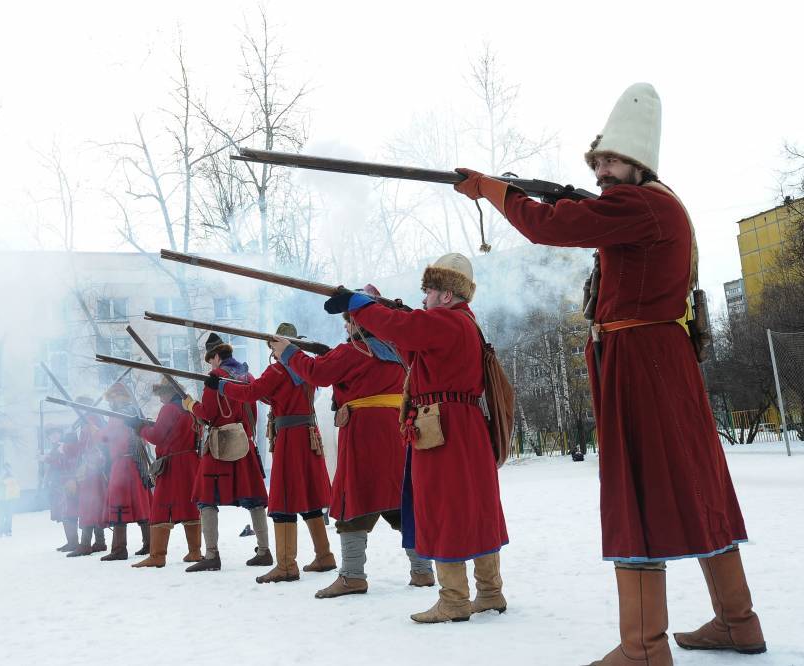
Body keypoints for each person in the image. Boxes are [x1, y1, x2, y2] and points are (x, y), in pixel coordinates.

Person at [455, 82, 765, 661]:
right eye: (595, 161)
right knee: (700, 487)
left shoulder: (640, 203)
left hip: (641, 363)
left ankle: (643, 647)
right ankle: (737, 620)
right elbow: (579, 220)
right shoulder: (656, 204)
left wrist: (494, 190)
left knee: (636, 493)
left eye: (610, 160)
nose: (600, 169)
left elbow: (550, 227)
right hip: (657, 358)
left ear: (638, 162)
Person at [318, 265, 509, 623]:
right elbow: (408, 346)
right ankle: (489, 591)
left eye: (430, 294)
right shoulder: (461, 324)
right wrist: (390, 315)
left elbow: (402, 330)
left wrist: (361, 305)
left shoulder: (447, 321)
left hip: (443, 425)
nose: (424, 300)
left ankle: (454, 599)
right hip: (463, 424)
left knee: (443, 507)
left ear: (447, 295)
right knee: (475, 507)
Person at [270, 288, 437, 600]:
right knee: (402, 503)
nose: (346, 326)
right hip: (395, 431)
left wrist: (289, 353)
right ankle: (423, 570)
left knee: (352, 501)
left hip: (363, 434)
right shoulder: (398, 351)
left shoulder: (352, 352)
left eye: (350, 320)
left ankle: (352, 576)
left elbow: (316, 373)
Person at [211, 322, 334, 584]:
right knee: (309, 499)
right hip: (307, 433)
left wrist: (221, 386)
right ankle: (324, 555)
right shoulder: (303, 367)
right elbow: (273, 395)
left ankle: (287, 565)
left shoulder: (279, 369)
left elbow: (252, 393)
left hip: (291, 439)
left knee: (285, 500)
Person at [182, 332, 270, 572]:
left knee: (205, 499)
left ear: (217, 356)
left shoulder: (215, 377)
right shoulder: (248, 376)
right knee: (255, 500)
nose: (210, 363)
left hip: (221, 443)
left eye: (211, 359)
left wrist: (190, 405)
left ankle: (211, 555)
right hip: (245, 442)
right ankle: (264, 550)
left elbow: (209, 414)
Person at [132, 377, 203, 568]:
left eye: (162, 393)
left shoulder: (169, 409)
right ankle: (195, 551)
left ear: (169, 392)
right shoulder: (190, 408)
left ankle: (157, 555)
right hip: (190, 462)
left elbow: (157, 436)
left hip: (173, 464)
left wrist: (142, 429)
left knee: (160, 507)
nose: (160, 397)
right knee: (190, 507)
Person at [98, 383, 153, 561]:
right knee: (140, 504)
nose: (110, 403)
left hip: (124, 463)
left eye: (112, 399)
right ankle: (149, 543)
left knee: (119, 502)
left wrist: (96, 433)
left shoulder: (119, 415)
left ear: (117, 398)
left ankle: (119, 549)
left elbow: (108, 437)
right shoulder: (132, 411)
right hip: (135, 463)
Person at [66, 399, 108, 557]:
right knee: (93, 506)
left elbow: (87, 446)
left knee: (88, 506)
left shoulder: (91, 421)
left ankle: (85, 544)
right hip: (91, 470)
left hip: (91, 470)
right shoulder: (92, 420)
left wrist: (69, 447)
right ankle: (100, 541)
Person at [44, 430, 81, 552]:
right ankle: (71, 541)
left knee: (68, 513)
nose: (53, 436)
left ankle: (73, 542)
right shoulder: (58, 448)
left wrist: (49, 459)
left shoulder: (65, 447)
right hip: (59, 483)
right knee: (64, 514)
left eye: (55, 433)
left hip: (66, 483)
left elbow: (65, 464)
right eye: (50, 435)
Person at [0, 464, 20, 537]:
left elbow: (17, 486)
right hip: (1, 499)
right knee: (1, 516)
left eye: (8, 469)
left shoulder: (13, 477)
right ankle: (0, 531)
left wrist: (11, 475)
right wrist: (2, 477)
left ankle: (8, 530)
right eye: (4, 469)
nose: (6, 471)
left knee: (9, 516)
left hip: (10, 499)